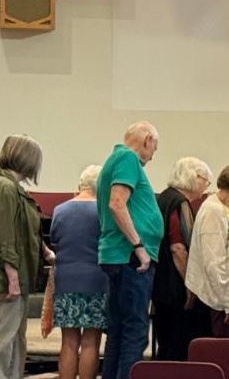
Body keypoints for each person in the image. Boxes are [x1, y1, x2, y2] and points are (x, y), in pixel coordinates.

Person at [0, 134, 54, 379]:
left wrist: (45, 251)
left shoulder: (12, 187)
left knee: (15, 339)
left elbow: (24, 229)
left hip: (16, 274)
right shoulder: (4, 188)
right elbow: (4, 237)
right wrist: (12, 277)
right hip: (4, 278)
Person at [97, 121, 164, 379]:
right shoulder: (128, 159)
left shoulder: (115, 159)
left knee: (119, 331)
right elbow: (117, 203)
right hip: (130, 258)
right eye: (154, 148)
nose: (153, 156)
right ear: (147, 140)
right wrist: (139, 246)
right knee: (135, 331)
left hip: (119, 256)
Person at [49, 165, 108, 379]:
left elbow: (54, 240)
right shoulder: (103, 212)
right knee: (91, 341)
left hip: (65, 280)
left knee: (68, 341)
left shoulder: (60, 210)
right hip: (96, 280)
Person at [153, 157, 213, 360]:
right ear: (193, 177)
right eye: (205, 180)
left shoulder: (163, 197)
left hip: (160, 281)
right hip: (174, 285)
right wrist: (190, 283)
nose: (206, 186)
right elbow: (178, 248)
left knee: (165, 339)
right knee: (178, 342)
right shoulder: (180, 203)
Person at [186, 163, 229, 338]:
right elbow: (213, 262)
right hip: (218, 300)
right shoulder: (214, 211)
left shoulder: (223, 208)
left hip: (225, 294)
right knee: (223, 349)